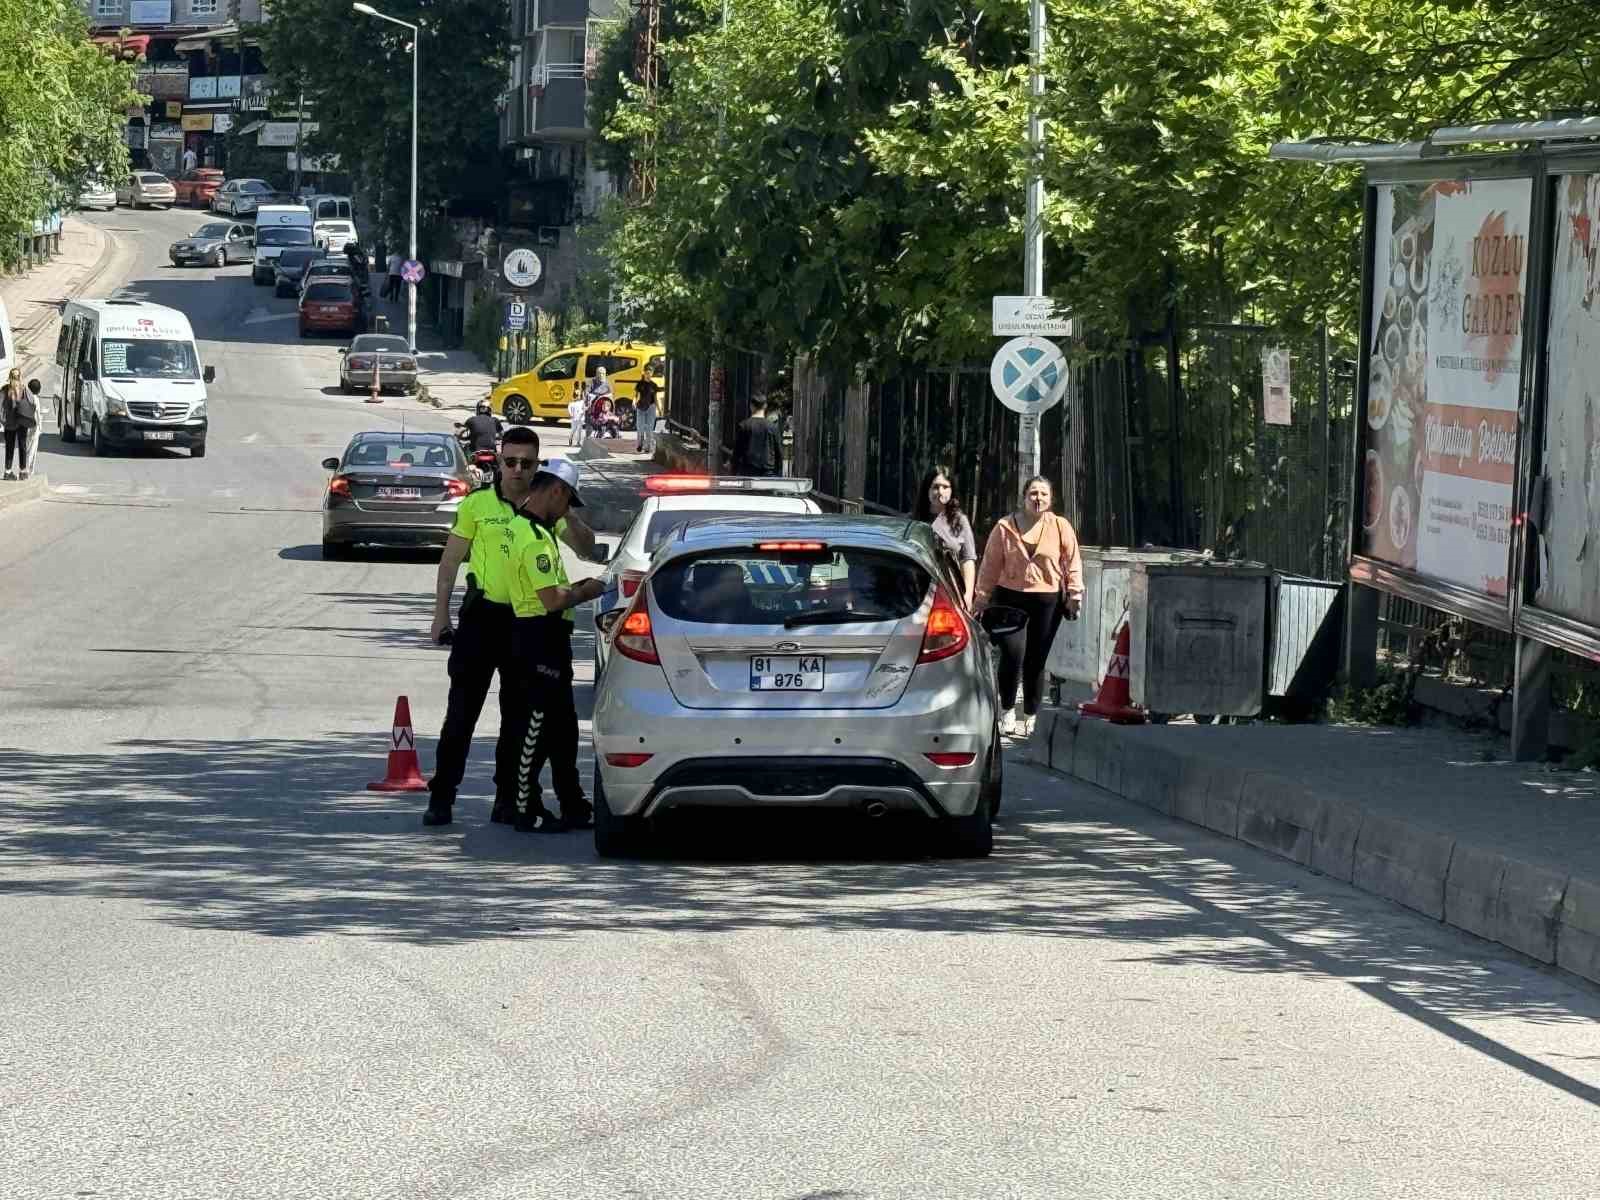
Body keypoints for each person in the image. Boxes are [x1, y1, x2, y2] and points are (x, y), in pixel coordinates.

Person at [424, 426, 596, 827]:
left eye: (527, 463)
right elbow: (450, 562)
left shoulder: (544, 510)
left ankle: (507, 800)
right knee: (461, 714)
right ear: (498, 461)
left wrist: (566, 504)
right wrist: (440, 614)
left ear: (537, 465)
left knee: (517, 716)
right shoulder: (477, 505)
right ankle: (442, 796)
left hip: (526, 625)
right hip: (482, 618)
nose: (517, 470)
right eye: (510, 461)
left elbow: (586, 548)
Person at [502, 458, 606, 833]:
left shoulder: (530, 527)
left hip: (546, 638)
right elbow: (553, 599)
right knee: (537, 726)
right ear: (557, 491)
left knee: (563, 728)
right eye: (567, 502)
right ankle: (524, 807)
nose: (567, 511)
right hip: (538, 637)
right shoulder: (533, 539)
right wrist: (588, 590)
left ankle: (573, 803)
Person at [974, 475, 1083, 739]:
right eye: (1033, 493)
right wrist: (980, 598)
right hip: (1010, 599)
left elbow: (1072, 560)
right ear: (1023, 497)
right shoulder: (1004, 527)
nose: (1038, 498)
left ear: (1050, 498)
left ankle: (1032, 716)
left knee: (1036, 660)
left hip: (1047, 601)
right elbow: (990, 565)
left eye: (1044, 494)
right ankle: (1008, 709)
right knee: (1013, 654)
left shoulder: (1060, 526)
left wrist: (1075, 594)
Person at [913, 465, 977, 607]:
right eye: (935, 487)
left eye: (945, 487)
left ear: (952, 490)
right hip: (917, 595)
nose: (940, 492)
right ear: (927, 489)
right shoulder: (914, 520)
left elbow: (967, 559)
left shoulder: (960, 521)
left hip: (950, 596)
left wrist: (967, 596)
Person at [732, 394, 780, 477]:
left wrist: (734, 471)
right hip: (768, 473)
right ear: (765, 406)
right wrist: (777, 471)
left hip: (748, 472)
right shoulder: (772, 427)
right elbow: (778, 451)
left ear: (751, 406)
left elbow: (737, 451)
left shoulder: (744, 426)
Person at [2, 370, 38, 481]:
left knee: (10, 447)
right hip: (22, 421)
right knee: (22, 446)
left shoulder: (5, 389)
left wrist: (3, 420)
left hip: (9, 423)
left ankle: (8, 472)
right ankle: (22, 472)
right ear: (20, 377)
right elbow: (32, 402)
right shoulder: (24, 389)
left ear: (10, 377)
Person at [634, 368, 659, 455]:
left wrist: (659, 409)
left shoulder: (654, 385)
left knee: (649, 428)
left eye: (650, 373)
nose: (648, 375)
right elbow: (636, 395)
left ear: (652, 374)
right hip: (641, 407)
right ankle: (640, 444)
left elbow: (655, 398)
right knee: (640, 427)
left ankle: (648, 447)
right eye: (647, 373)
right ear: (644, 373)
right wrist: (634, 402)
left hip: (651, 407)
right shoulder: (640, 384)